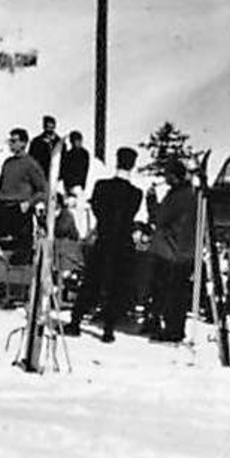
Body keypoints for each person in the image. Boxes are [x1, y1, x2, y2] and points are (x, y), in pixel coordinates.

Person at [66, 146, 143, 342]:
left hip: (104, 238)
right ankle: (108, 329)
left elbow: (97, 210)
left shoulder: (101, 186)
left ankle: (75, 322)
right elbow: (130, 216)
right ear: (133, 165)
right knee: (116, 286)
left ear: (116, 161)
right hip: (123, 242)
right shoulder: (136, 193)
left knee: (91, 281)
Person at [148, 162, 197, 344]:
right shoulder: (191, 194)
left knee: (171, 292)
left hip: (171, 250)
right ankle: (176, 328)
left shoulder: (177, 196)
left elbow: (160, 217)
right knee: (179, 293)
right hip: (186, 250)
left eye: (167, 174)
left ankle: (172, 330)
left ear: (174, 176)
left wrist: (151, 201)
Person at [0, 127, 48, 262]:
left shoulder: (31, 164)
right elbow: (1, 185)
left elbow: (43, 190)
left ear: (24, 143)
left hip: (20, 211)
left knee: (20, 251)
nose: (11, 144)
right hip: (2, 209)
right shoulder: (7, 163)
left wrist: (29, 203)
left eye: (14, 141)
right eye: (10, 140)